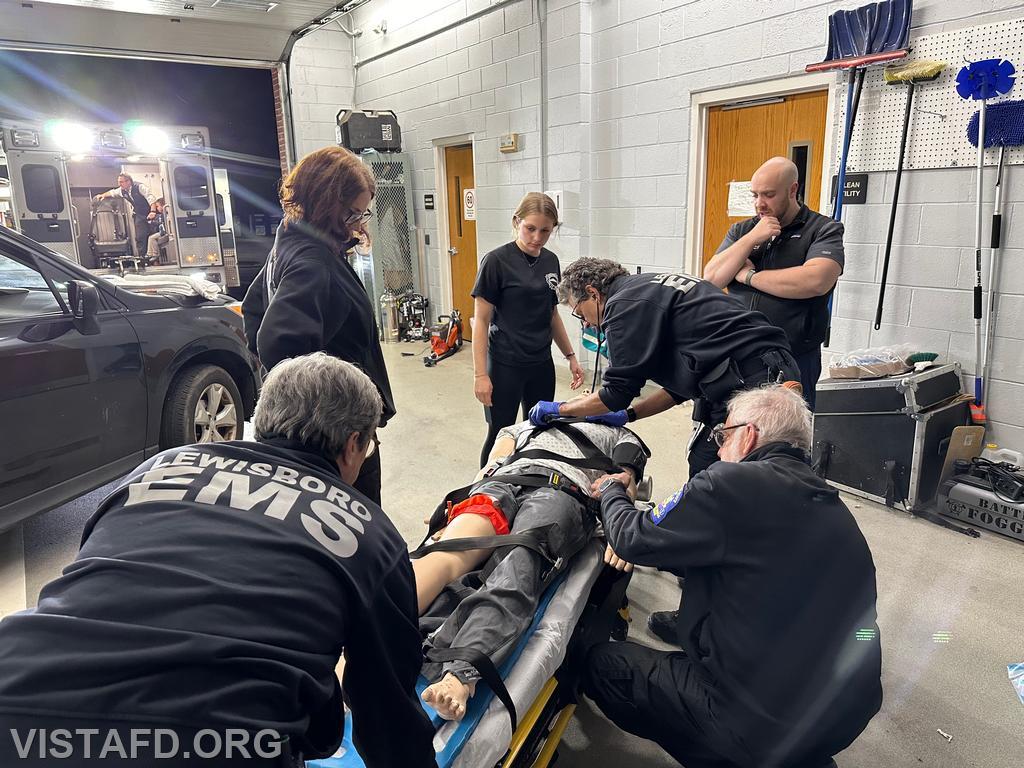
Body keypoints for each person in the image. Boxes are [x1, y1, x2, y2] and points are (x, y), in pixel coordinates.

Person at [0, 353, 436, 768]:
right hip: (208, 741)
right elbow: (387, 710)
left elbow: (96, 571)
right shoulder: (367, 532)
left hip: (18, 693)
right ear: (353, 444)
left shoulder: (160, 468)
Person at [584, 385, 882, 768]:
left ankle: (744, 754)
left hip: (756, 722)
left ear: (748, 434)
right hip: (842, 718)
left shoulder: (729, 482)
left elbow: (630, 538)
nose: (719, 450)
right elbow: (745, 560)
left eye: (723, 437)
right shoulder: (828, 503)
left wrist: (612, 491)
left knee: (604, 666)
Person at [412, 417, 647, 722]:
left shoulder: (620, 434)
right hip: (502, 483)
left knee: (518, 563)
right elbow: (495, 460)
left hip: (562, 490)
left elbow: (624, 481)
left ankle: (460, 672)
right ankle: (375, 633)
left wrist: (621, 532)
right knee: (449, 553)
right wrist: (453, 514)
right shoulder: (532, 423)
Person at [534, 257, 799, 478]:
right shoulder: (647, 287)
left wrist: (560, 409)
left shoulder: (621, 307)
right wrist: (630, 415)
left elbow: (616, 394)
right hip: (768, 367)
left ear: (593, 293)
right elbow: (679, 388)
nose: (586, 325)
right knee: (715, 463)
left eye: (580, 314)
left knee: (716, 474)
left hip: (752, 380)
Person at [242, 146, 394, 505]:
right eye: (353, 213)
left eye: (363, 212)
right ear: (326, 202)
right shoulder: (313, 262)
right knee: (358, 535)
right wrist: (332, 423)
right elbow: (277, 344)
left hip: (331, 438)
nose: (360, 223)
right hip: (337, 443)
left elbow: (252, 312)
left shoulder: (292, 240)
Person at [703, 157, 845, 408]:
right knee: (728, 429)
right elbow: (711, 279)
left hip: (793, 356)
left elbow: (815, 280)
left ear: (793, 190)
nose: (760, 204)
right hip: (736, 352)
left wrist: (749, 276)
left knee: (786, 436)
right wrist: (752, 238)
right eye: (755, 195)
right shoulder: (742, 230)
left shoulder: (823, 229)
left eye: (768, 195)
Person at [472, 192, 585, 467]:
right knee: (501, 433)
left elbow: (551, 313)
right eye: (530, 228)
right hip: (504, 364)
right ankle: (485, 490)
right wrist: (480, 375)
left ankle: (525, 486)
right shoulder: (496, 261)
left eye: (545, 231)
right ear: (516, 222)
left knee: (538, 429)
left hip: (540, 363)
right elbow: (481, 321)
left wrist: (570, 356)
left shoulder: (551, 262)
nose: (537, 237)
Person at [94, 173, 157, 259]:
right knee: (140, 237)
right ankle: (144, 259)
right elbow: (112, 192)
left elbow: (150, 197)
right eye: (119, 182)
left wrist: (153, 211)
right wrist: (102, 195)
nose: (119, 184)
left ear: (128, 181)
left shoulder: (139, 187)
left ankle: (153, 258)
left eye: (121, 182)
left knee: (151, 235)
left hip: (149, 212)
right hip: (139, 214)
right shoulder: (122, 190)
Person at [145, 197, 169, 262]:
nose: (157, 208)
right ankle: (149, 253)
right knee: (150, 237)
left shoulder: (165, 214)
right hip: (163, 231)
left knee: (152, 238)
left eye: (158, 206)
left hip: (164, 232)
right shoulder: (162, 214)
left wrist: (152, 222)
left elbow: (160, 222)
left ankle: (155, 254)